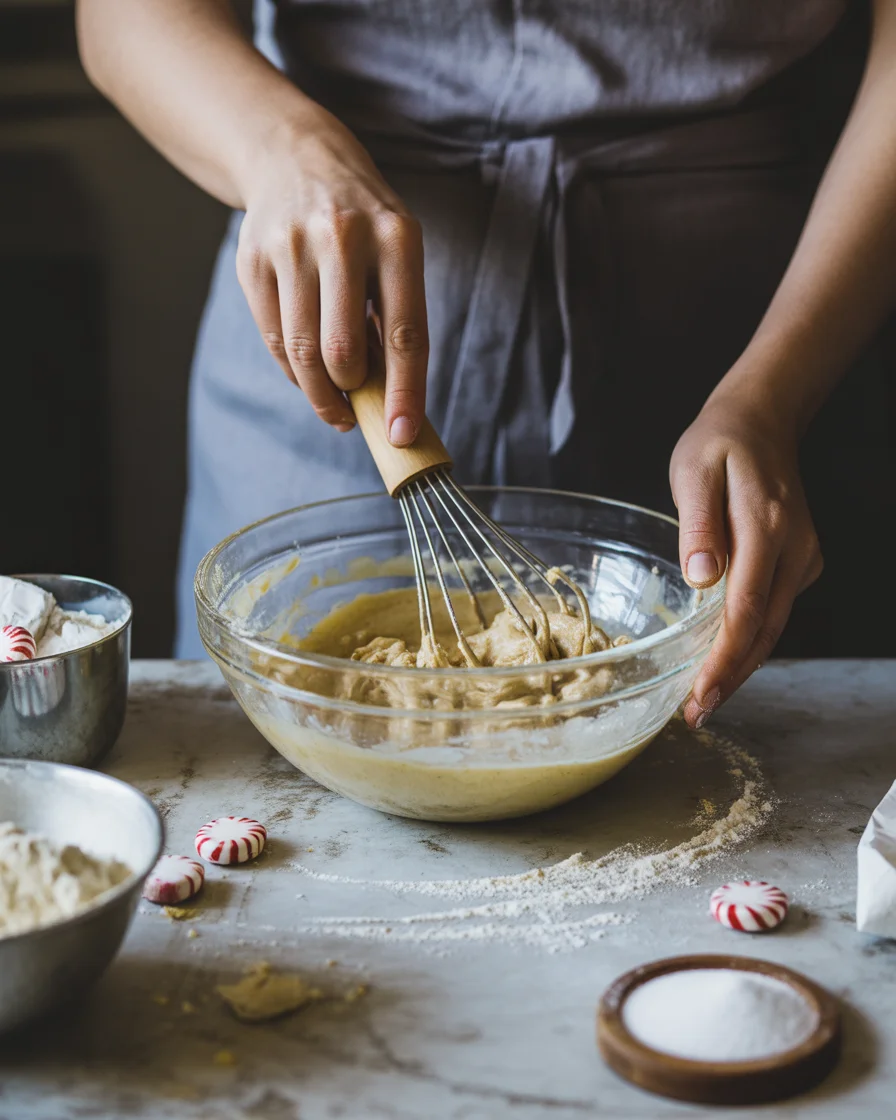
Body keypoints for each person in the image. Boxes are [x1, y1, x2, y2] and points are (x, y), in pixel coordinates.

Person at [77, 1, 896, 727]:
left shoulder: (768, 386)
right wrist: (286, 152)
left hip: (755, 343)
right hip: (324, 319)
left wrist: (773, 393)